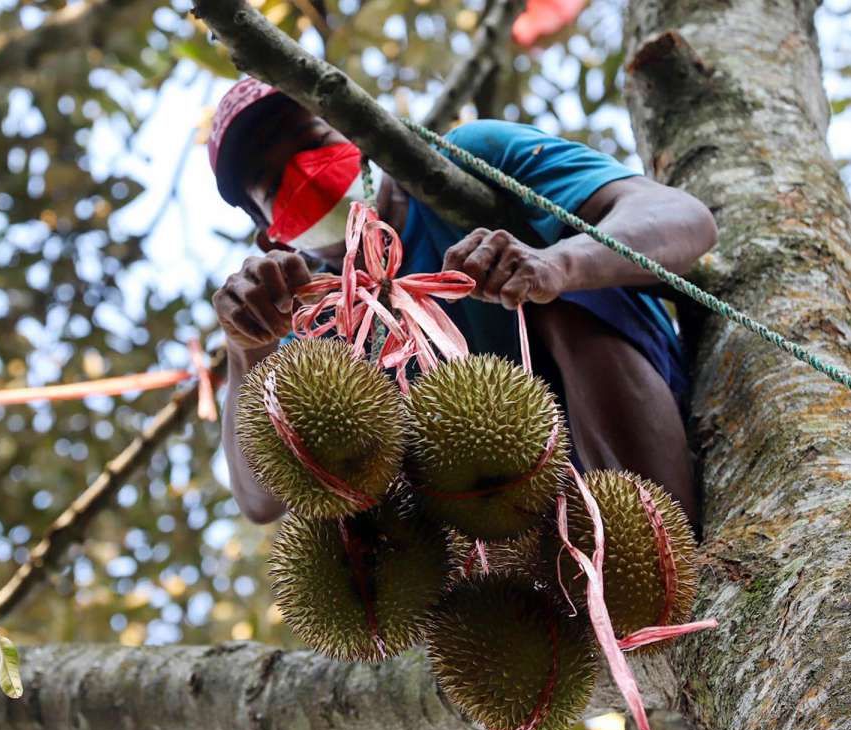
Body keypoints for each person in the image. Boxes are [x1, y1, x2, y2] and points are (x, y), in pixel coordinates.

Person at [208, 78, 717, 527]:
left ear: (361, 134)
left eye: (312, 143)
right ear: (272, 240)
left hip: (640, 413)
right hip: (514, 525)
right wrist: (246, 345)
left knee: (551, 296)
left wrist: (558, 264)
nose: (305, 175)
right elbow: (260, 500)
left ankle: (656, 537)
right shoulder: (309, 324)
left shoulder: (465, 157)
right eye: (276, 184)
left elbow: (685, 218)